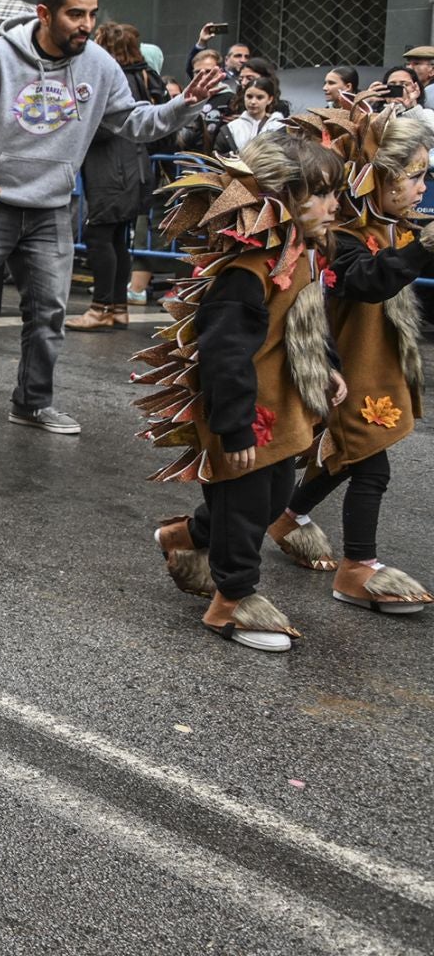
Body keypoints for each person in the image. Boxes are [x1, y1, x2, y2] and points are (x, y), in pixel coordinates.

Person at [0, 0, 222, 434]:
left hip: (51, 208)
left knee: (49, 313)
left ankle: (32, 402)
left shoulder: (100, 65)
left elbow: (134, 122)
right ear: (44, 14)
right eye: (75, 14)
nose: (86, 24)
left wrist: (186, 102)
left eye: (91, 14)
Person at [144, 133, 346, 653]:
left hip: (279, 407)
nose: (334, 205)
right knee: (244, 503)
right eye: (321, 193)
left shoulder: (299, 256)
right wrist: (233, 425)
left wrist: (327, 367)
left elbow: (304, 326)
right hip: (244, 414)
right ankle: (232, 599)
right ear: (281, 198)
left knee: (272, 498)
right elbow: (224, 354)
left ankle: (185, 537)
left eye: (334, 193)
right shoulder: (247, 273)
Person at [265, 102, 432, 614]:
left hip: (369, 362)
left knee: (345, 455)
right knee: (370, 465)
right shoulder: (344, 233)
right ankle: (358, 568)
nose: (423, 188)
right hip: (341, 366)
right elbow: (367, 282)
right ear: (378, 177)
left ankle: (288, 515)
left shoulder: (387, 222)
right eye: (415, 177)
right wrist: (423, 248)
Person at [68, 23, 161, 332]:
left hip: (113, 167)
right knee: (117, 238)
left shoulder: (117, 78)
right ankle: (117, 307)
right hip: (134, 166)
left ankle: (101, 307)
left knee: (99, 236)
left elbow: (110, 124)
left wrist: (77, 127)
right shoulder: (144, 75)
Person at [217, 76, 285, 155]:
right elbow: (219, 156)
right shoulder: (231, 128)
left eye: (259, 97)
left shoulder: (279, 127)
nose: (253, 102)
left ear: (270, 99)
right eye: (249, 96)